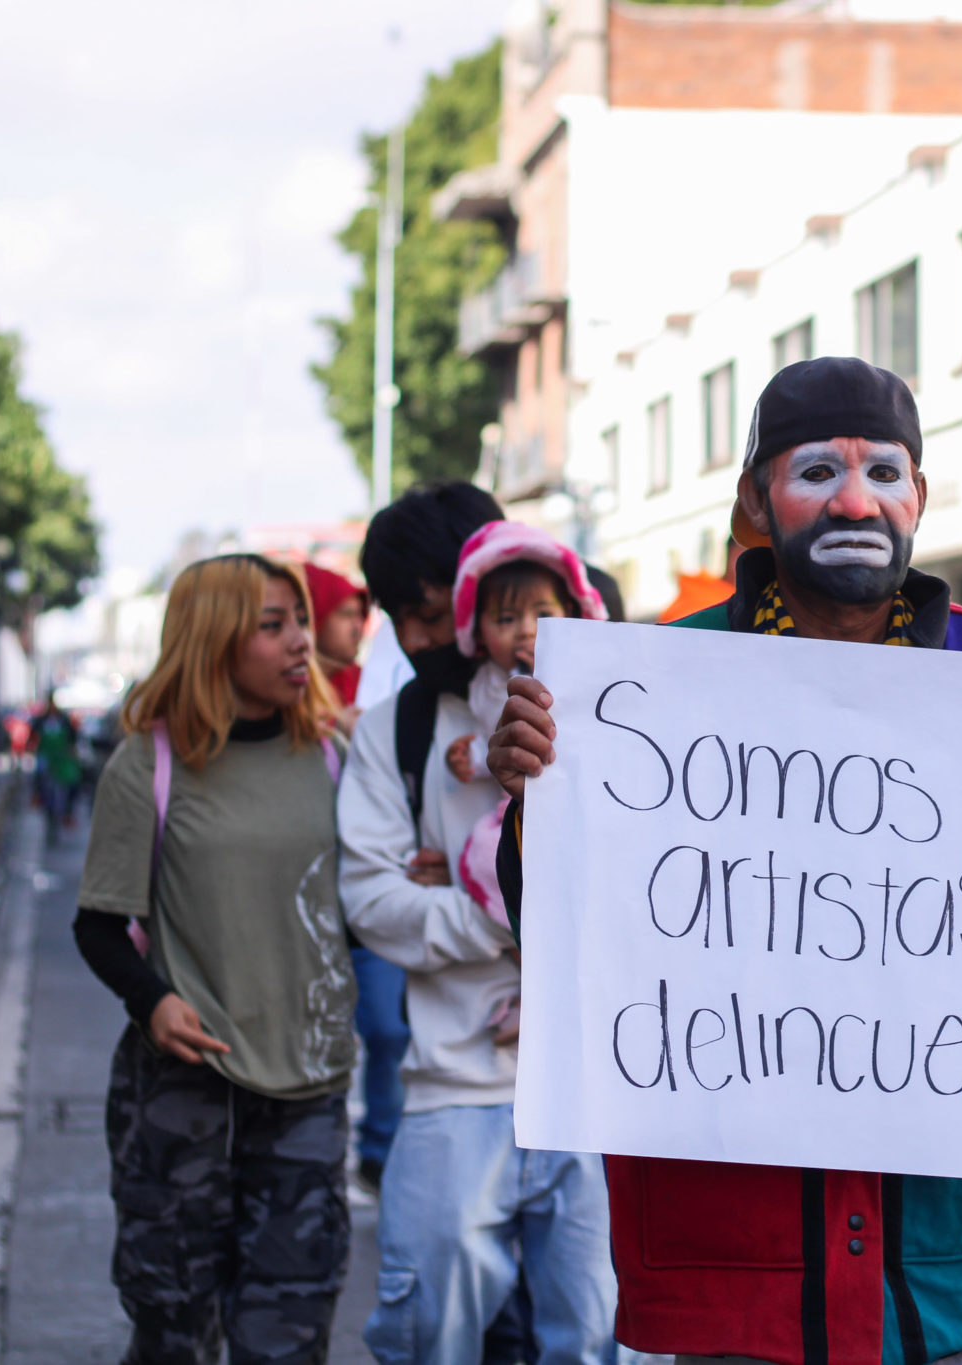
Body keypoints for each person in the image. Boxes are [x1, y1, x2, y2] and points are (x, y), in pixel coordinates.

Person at [487, 355, 962, 1365]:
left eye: (885, 473)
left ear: (918, 498)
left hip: (956, 1259)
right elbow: (563, 927)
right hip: (738, 1259)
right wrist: (537, 798)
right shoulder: (649, 688)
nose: (854, 498)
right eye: (816, 471)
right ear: (758, 500)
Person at [338, 482, 620, 1365]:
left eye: (424, 611)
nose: (415, 640)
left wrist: (479, 896)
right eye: (399, 618)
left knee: (604, 1336)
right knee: (432, 1334)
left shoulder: (615, 701)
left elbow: (657, 888)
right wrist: (503, 912)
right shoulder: (403, 731)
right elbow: (374, 900)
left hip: (597, 1091)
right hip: (456, 1086)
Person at [71, 554, 356, 1363]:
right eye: (274, 626)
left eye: (300, 620)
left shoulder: (333, 755)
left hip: (306, 1089)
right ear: (215, 640)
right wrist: (153, 1001)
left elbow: (361, 908)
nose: (302, 641)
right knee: (173, 1330)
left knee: (288, 1335)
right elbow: (97, 924)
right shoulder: (149, 763)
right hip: (182, 1096)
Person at [440, 519, 607, 936]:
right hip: (517, 813)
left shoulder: (585, 675)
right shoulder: (485, 687)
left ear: (571, 612)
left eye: (542, 614)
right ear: (478, 629)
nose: (526, 629)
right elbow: (502, 740)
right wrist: (474, 756)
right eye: (507, 618)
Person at [301, 561, 407, 1194]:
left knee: (387, 1027)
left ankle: (377, 1146)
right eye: (343, 612)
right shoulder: (288, 705)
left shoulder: (375, 691)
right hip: (309, 902)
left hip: (369, 894)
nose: (358, 625)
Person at [305, 562, 369, 732]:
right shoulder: (287, 686)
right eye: (347, 614)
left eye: (360, 615)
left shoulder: (366, 680)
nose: (358, 627)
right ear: (314, 617)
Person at [31, 695, 84, 830]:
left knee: (73, 780)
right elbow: (32, 736)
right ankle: (38, 798)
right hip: (46, 755)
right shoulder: (41, 720)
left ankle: (68, 812)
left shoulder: (63, 720)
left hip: (62, 756)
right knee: (39, 774)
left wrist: (71, 752)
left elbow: (73, 737)